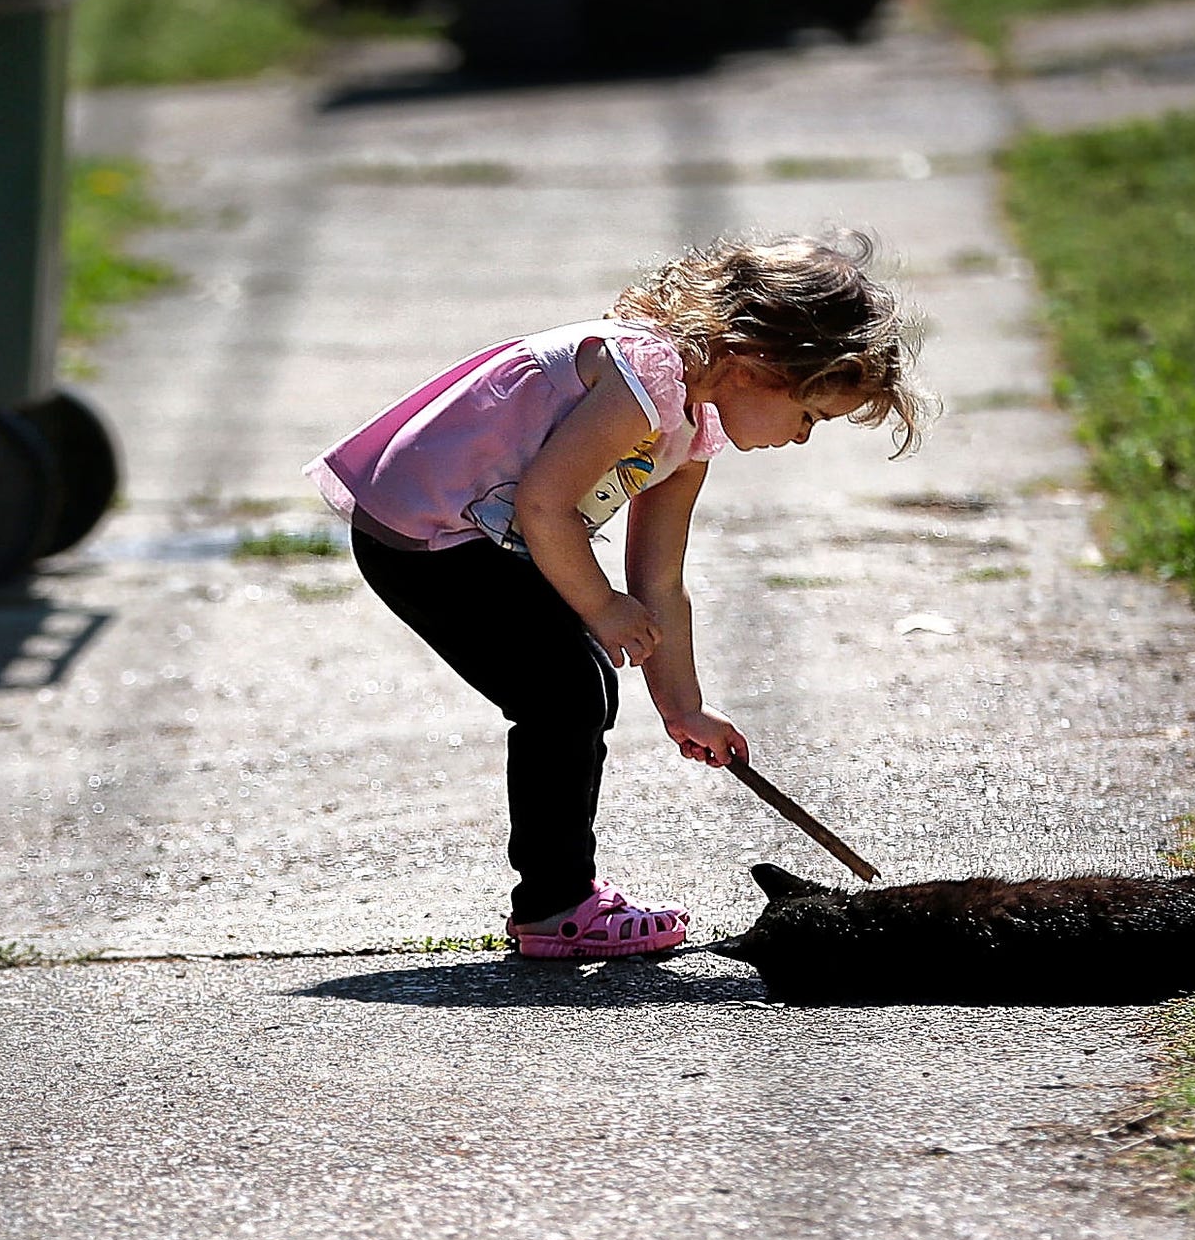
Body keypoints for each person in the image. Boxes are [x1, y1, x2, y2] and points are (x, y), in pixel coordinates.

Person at [305, 230, 931, 958]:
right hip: (424, 529)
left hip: (483, 534)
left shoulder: (690, 433)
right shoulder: (641, 381)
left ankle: (558, 902)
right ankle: (555, 908)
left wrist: (683, 706)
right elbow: (545, 506)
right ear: (759, 364)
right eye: (810, 416)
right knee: (564, 691)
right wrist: (599, 609)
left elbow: (659, 580)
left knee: (575, 687)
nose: (800, 440)